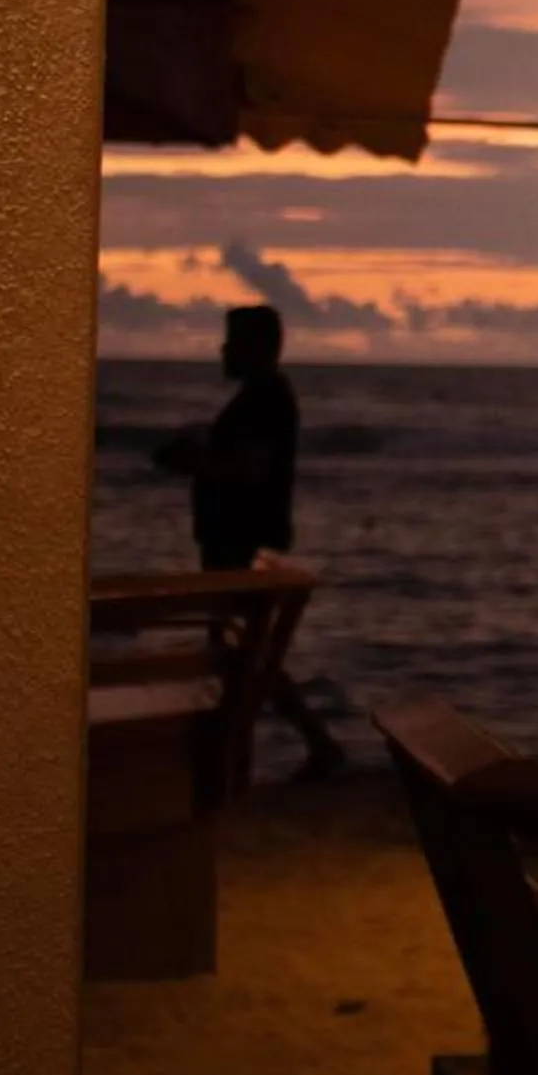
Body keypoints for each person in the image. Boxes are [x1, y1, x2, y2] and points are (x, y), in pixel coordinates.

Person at [156, 306, 341, 777]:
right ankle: (260, 748)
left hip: (236, 539)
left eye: (232, 341)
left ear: (255, 348)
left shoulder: (264, 400)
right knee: (243, 651)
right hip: (232, 537)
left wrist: (194, 462)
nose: (222, 349)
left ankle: (242, 752)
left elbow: (248, 469)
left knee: (241, 651)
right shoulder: (261, 398)